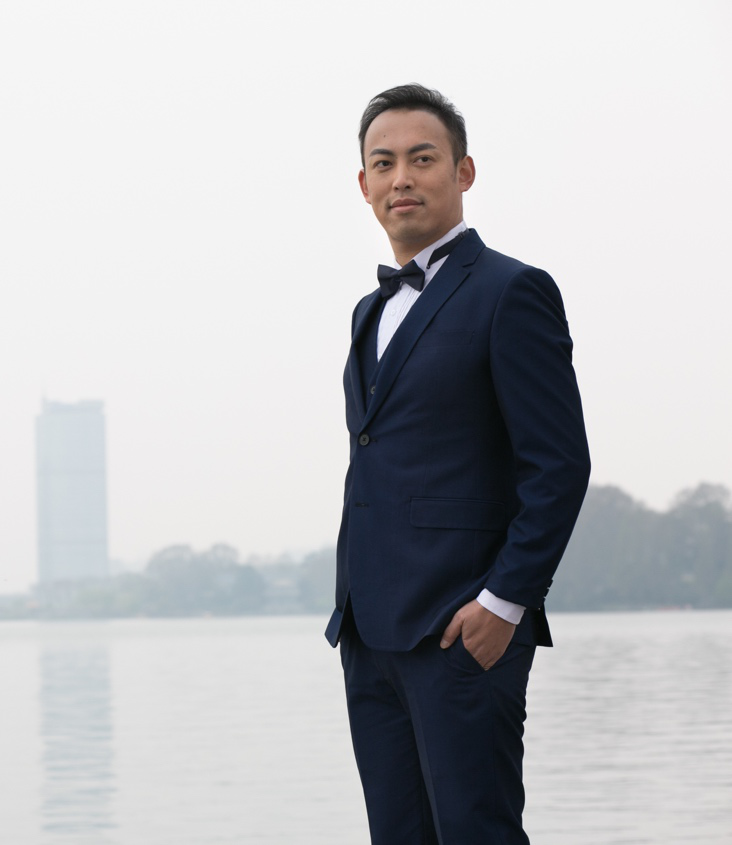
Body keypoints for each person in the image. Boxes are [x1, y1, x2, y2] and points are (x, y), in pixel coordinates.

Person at [323, 83, 591, 844]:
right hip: (369, 633)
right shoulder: (369, 311)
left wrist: (504, 604)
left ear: (463, 171)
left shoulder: (513, 292)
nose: (401, 177)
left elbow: (559, 465)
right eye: (383, 163)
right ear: (364, 184)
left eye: (422, 158)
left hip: (462, 629)